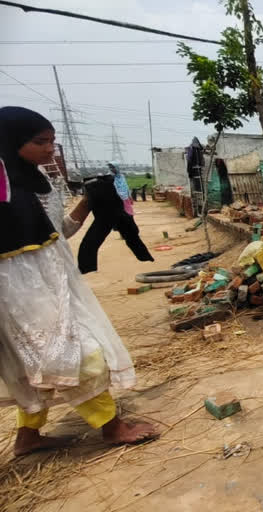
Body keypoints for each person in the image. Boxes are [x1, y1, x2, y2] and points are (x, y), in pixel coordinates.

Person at [0, 106, 157, 457]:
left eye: (53, 142)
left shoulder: (37, 182)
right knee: (78, 355)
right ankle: (112, 427)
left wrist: (90, 202)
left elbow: (57, 234)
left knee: (36, 363)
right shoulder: (4, 193)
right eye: (41, 142)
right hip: (22, 293)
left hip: (56, 284)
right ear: (11, 141)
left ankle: (28, 436)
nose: (50, 150)